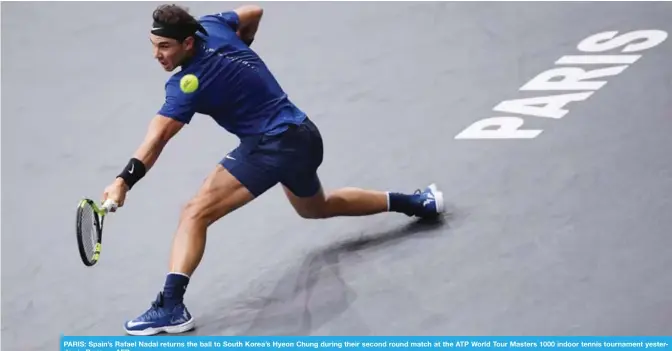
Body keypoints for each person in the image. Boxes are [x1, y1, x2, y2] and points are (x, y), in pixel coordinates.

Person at [101, 3, 445, 336]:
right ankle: (418, 203)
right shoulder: (213, 26)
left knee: (194, 213)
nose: (157, 55)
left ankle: (171, 307)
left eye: (164, 46)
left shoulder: (186, 85)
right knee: (316, 207)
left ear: (187, 43)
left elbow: (158, 136)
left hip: (273, 145)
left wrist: (123, 181)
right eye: (153, 46)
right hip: (305, 135)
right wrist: (242, 48)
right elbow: (253, 11)